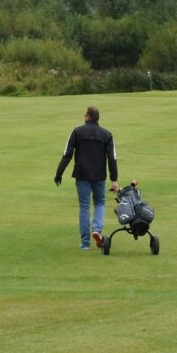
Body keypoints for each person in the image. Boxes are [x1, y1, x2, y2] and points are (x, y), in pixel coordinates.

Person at [54, 105, 118, 249]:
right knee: (100, 204)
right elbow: (112, 158)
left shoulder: (77, 131)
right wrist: (114, 180)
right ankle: (97, 230)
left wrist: (59, 173)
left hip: (82, 174)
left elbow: (67, 154)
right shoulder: (107, 134)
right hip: (99, 175)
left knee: (84, 206)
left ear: (88, 117)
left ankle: (85, 243)